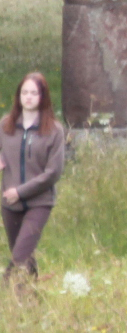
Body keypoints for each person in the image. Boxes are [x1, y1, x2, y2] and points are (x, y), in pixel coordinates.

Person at [0, 72, 65, 285]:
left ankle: (5, 285)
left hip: (39, 202)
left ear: (43, 97)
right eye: (24, 92)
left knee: (19, 254)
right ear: (18, 96)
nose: (28, 97)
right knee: (25, 255)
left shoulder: (54, 131)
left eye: (34, 93)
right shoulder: (5, 125)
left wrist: (20, 192)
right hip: (9, 203)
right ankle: (31, 298)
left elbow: (53, 172)